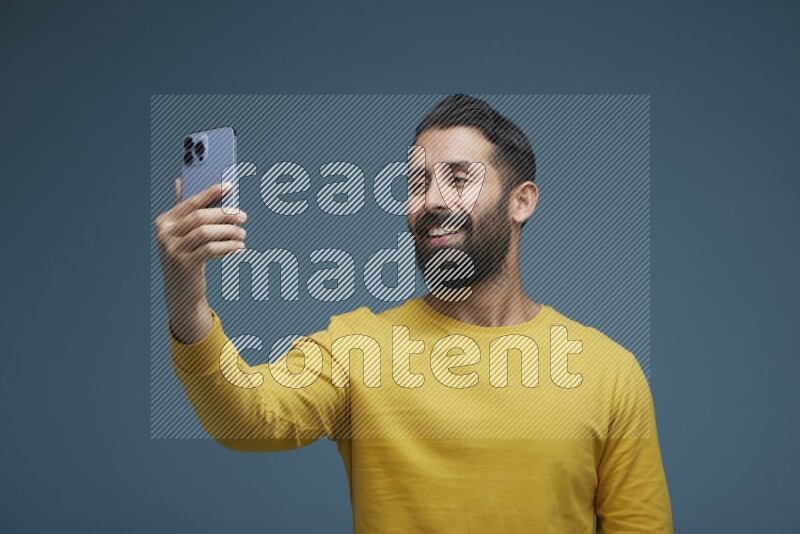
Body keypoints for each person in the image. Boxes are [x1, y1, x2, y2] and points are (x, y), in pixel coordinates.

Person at [154, 94, 673, 533]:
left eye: (459, 178)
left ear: (521, 202)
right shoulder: (358, 347)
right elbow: (245, 418)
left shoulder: (609, 372)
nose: (431, 200)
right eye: (417, 183)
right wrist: (186, 294)